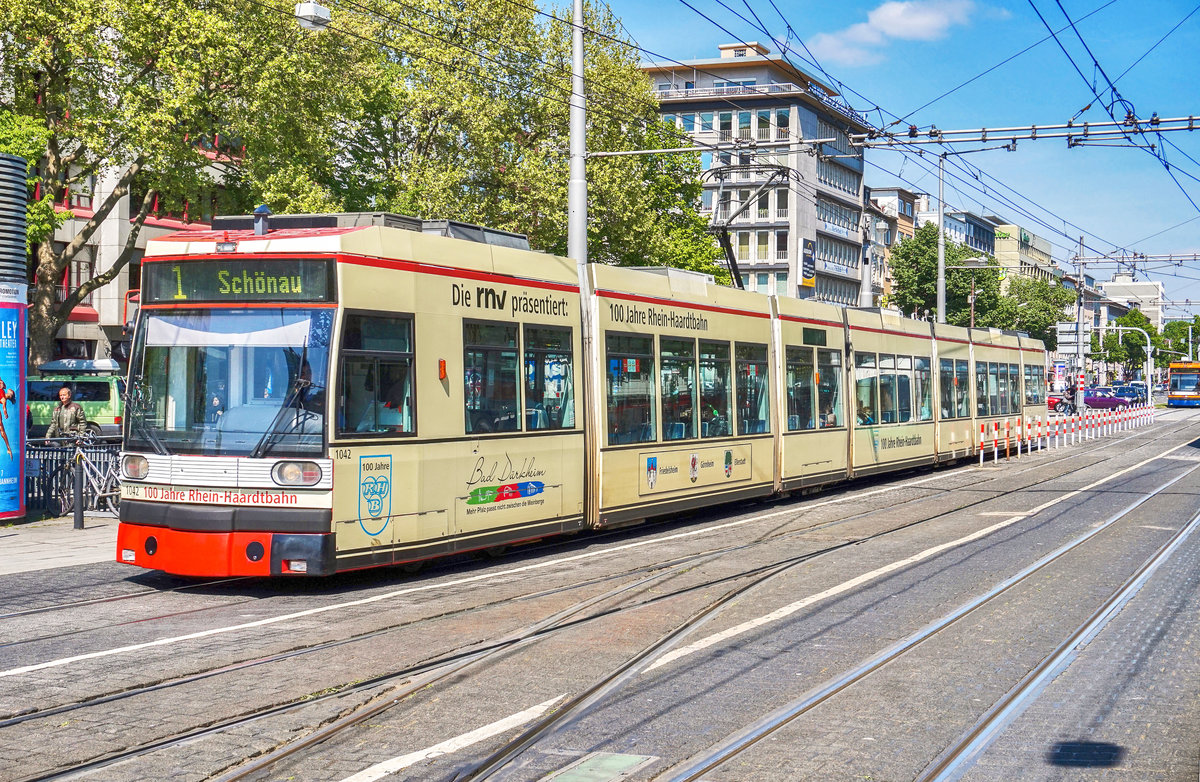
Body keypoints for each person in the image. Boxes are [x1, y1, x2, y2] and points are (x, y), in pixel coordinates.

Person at [0, 379, 15, 458]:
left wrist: (5, 413)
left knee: (1, 428)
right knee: (1, 429)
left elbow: (4, 408)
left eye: (10, 392)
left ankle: (8, 448)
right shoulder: (2, 390)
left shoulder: (3, 398)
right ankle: (8, 448)